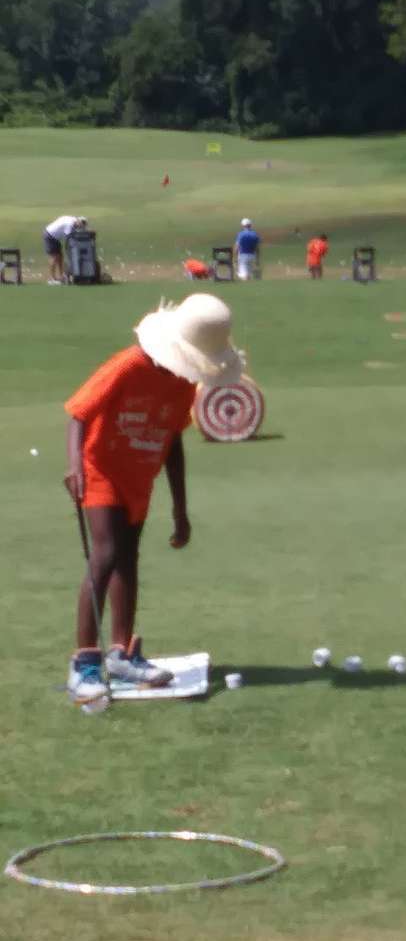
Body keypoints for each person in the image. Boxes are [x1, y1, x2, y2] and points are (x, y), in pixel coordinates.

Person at [63, 293, 245, 704]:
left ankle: (121, 653)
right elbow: (79, 412)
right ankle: (85, 664)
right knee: (106, 553)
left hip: (139, 477)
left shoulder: (184, 384)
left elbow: (172, 442)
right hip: (101, 469)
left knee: (128, 559)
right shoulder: (130, 364)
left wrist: (180, 509)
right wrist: (75, 466)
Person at [44, 215, 87, 285]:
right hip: (50, 235)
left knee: (60, 256)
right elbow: (69, 239)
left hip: (56, 237)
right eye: (80, 226)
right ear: (79, 222)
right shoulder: (69, 224)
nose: (79, 228)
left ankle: (61, 277)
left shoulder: (74, 220)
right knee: (54, 257)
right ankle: (52, 279)